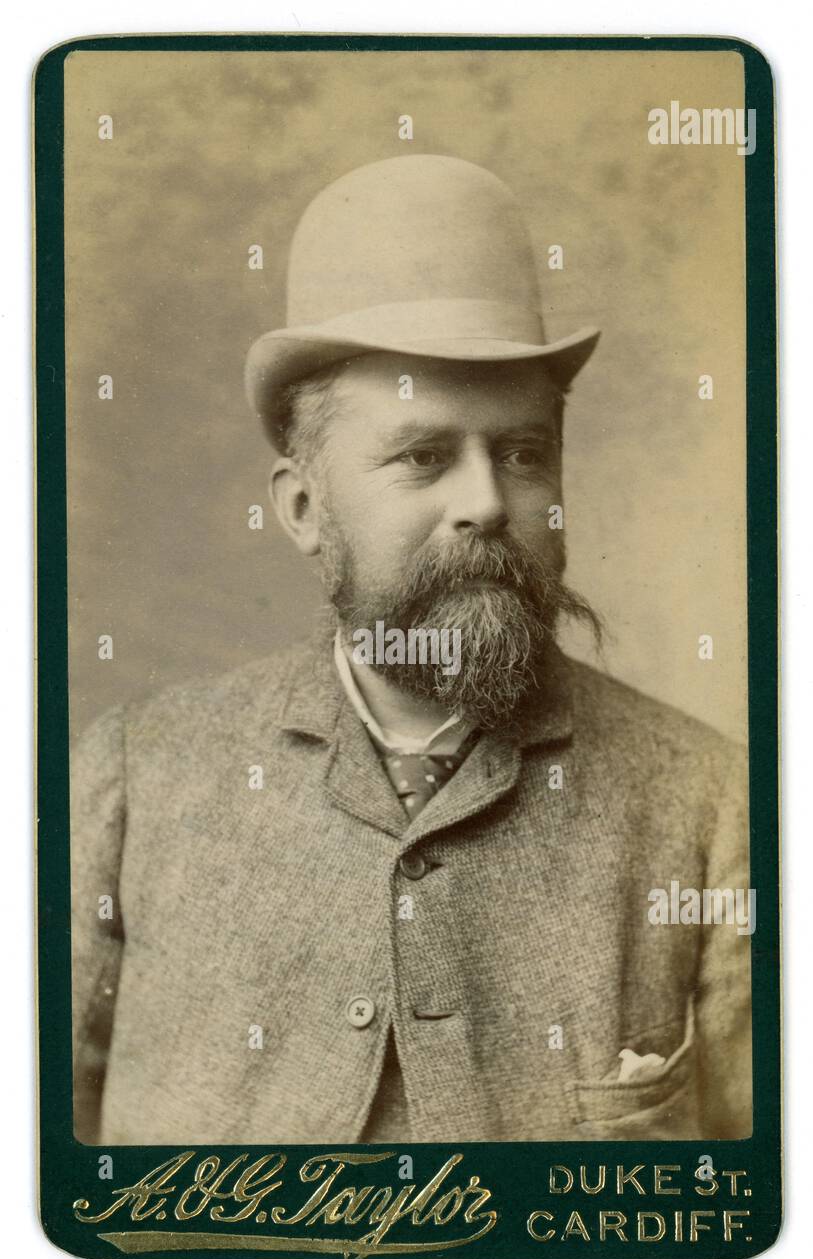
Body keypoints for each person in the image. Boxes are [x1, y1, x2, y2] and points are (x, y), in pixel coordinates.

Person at [71, 155, 751, 1144]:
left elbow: (762, 1208)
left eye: (522, 454)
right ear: (304, 509)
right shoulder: (133, 780)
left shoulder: (711, 807)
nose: (485, 502)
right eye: (424, 456)